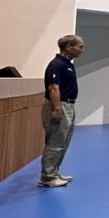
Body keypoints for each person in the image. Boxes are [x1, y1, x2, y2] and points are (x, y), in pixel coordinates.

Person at [39, 34, 85, 188]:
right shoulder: (57, 64)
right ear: (69, 47)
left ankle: (54, 171)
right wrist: (57, 108)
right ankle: (47, 177)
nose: (82, 50)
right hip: (59, 105)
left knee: (63, 141)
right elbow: (53, 88)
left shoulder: (67, 64)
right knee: (55, 142)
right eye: (80, 46)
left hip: (68, 105)